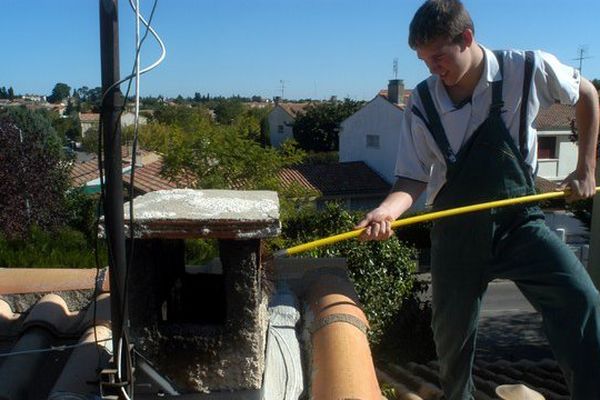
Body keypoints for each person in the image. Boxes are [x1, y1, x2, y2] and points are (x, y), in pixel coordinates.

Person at [356, 1, 600, 399]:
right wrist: (387, 210)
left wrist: (586, 167)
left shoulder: (526, 67)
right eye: (423, 60)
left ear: (466, 38)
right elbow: (412, 177)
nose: (433, 68)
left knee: (581, 299)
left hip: (519, 222)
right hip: (456, 230)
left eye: (438, 56)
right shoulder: (422, 101)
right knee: (452, 341)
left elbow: (587, 93)